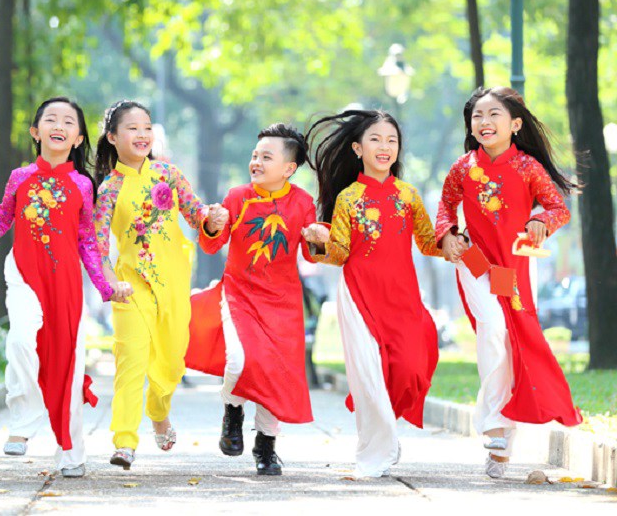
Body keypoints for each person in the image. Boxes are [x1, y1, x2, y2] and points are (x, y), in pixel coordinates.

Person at [0, 97, 121, 478]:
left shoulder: (83, 185)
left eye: (69, 121)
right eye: (50, 119)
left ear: (77, 138)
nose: (59, 124)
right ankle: (22, 424)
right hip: (23, 274)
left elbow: (87, 240)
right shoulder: (20, 178)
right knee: (21, 341)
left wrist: (106, 286)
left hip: (66, 283)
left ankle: (71, 452)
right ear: (35, 132)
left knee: (66, 364)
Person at [436, 86, 582, 479]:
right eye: (477, 115)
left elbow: (557, 207)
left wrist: (540, 221)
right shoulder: (462, 168)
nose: (484, 122)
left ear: (515, 124)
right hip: (474, 261)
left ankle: (501, 442)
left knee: (511, 339)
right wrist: (448, 233)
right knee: (495, 328)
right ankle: (495, 422)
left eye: (493, 114)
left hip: (511, 269)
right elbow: (446, 206)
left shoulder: (528, 168)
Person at [305, 109, 441, 478]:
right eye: (376, 139)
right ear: (357, 148)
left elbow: (429, 244)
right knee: (369, 376)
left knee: (412, 368)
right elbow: (340, 254)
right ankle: (375, 450)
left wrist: (456, 242)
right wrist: (321, 239)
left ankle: (387, 433)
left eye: (392, 140)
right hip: (360, 295)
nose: (385, 147)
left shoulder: (409, 195)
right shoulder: (349, 199)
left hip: (404, 298)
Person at [94, 100, 227, 469]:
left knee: (170, 361)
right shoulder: (107, 190)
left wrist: (212, 219)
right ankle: (124, 441)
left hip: (172, 284)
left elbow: (196, 214)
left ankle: (158, 408)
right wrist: (110, 284)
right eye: (133, 128)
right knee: (131, 361)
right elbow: (98, 246)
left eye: (147, 127)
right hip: (130, 286)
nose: (142, 134)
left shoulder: (168, 174)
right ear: (113, 137)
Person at [186, 123, 321, 476]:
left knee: (275, 374)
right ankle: (232, 410)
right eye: (254, 155)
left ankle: (266, 445)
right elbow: (212, 243)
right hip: (240, 295)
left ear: (289, 168)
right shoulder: (236, 196)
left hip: (283, 303)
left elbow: (312, 254)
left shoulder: (303, 202)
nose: (256, 162)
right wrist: (213, 224)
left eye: (266, 157)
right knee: (239, 360)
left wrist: (318, 237)